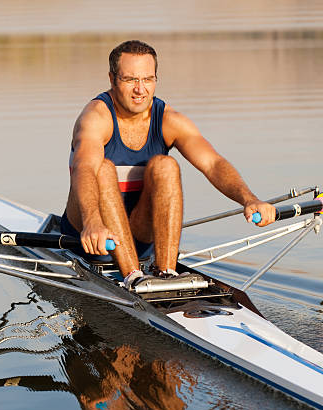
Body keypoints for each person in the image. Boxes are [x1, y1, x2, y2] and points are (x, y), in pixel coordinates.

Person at [61, 40, 276, 289]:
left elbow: (213, 163)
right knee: (103, 167)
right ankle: (133, 276)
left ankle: (166, 274)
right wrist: (92, 222)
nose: (140, 90)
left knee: (166, 166)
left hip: (140, 234)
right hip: (90, 236)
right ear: (112, 79)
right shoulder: (96, 117)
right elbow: (84, 168)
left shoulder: (169, 119)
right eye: (130, 79)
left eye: (148, 79)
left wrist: (249, 199)